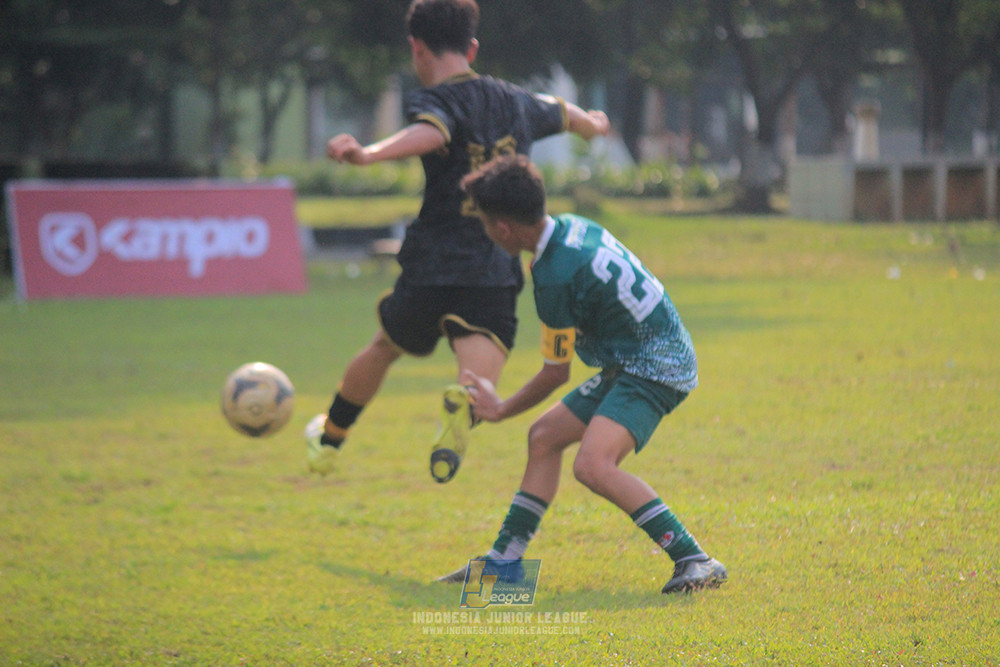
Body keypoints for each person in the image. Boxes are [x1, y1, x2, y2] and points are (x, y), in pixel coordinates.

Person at [305, 0, 610, 482]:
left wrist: (368, 154)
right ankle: (462, 408)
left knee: (384, 347)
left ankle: (329, 440)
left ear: (416, 48)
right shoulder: (517, 101)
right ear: (471, 47)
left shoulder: (437, 102)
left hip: (431, 264)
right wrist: (592, 124)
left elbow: (429, 134)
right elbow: (562, 112)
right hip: (494, 262)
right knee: (481, 367)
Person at [438, 154, 727, 594]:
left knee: (592, 465)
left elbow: (556, 373)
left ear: (503, 229)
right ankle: (505, 565)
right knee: (544, 436)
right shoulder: (570, 225)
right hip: (633, 357)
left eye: (483, 222)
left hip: (655, 366)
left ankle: (695, 559)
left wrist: (499, 409)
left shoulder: (553, 273)